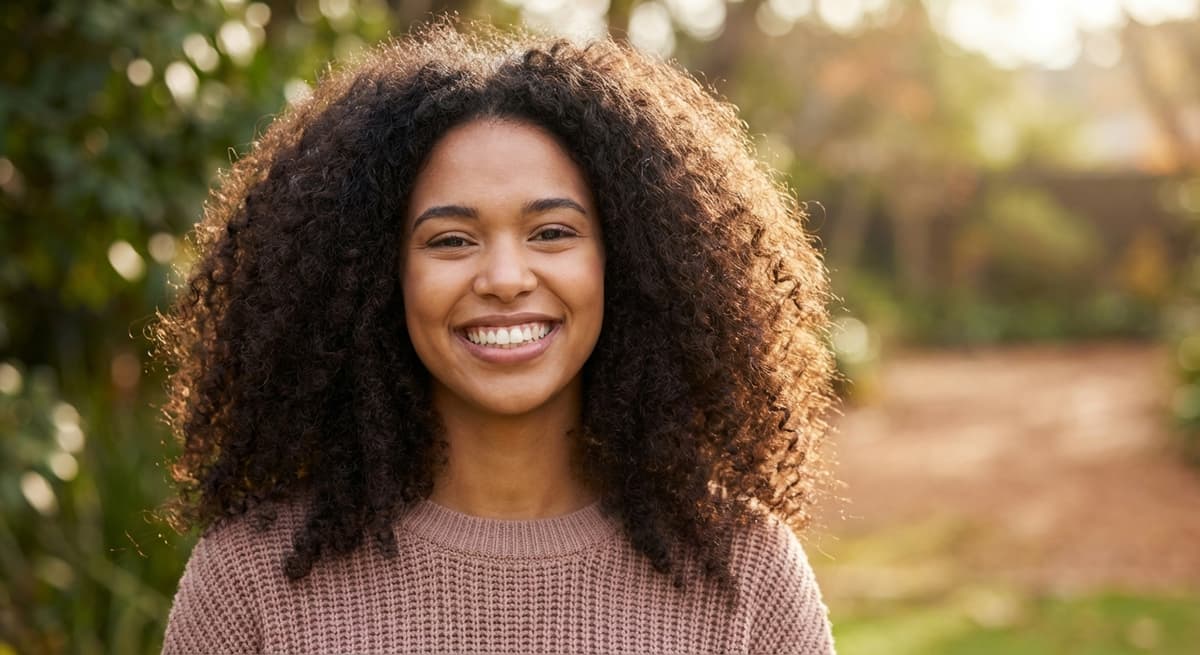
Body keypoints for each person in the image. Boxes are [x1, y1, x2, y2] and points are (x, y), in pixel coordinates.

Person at [156, 18, 837, 655]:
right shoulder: (251, 578)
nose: (506, 277)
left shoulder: (746, 574)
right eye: (451, 239)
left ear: (625, 260)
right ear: (376, 272)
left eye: (552, 232)